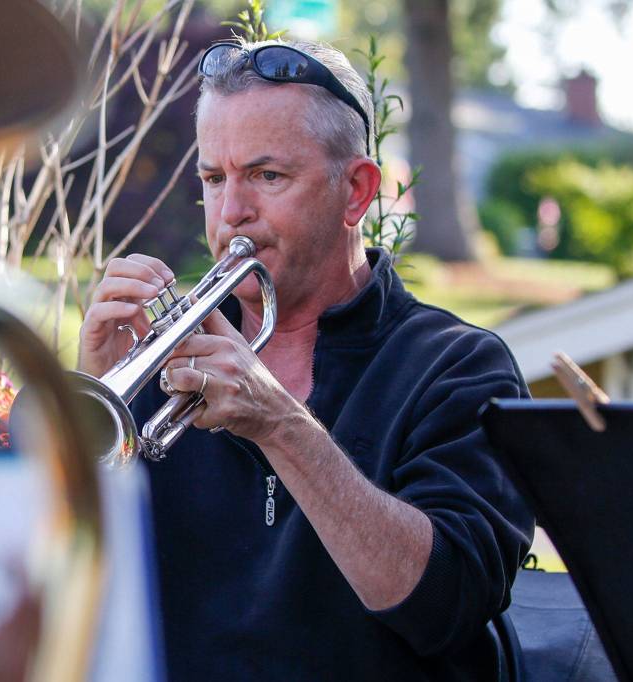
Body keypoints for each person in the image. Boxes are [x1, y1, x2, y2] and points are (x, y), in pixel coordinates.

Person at [78, 38, 534, 681]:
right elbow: (59, 591)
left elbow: (444, 605)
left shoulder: (457, 366)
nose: (232, 212)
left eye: (268, 176)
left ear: (356, 191)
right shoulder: (156, 362)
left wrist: (280, 424)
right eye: (215, 179)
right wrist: (93, 412)